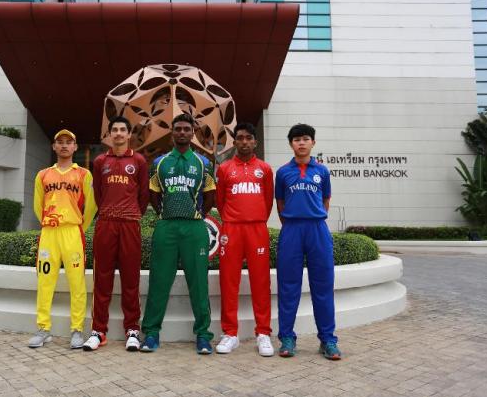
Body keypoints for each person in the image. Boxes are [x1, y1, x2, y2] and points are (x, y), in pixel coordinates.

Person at [140, 113, 216, 354]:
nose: (182, 132)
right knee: (159, 281)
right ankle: (151, 333)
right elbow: (153, 194)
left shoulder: (203, 163)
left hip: (194, 227)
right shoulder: (159, 162)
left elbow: (210, 195)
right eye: (178, 129)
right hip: (167, 227)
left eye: (186, 129)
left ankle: (203, 335)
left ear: (192, 133)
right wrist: (164, 214)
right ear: (172, 133)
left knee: (199, 283)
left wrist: (199, 215)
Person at [274, 124, 341, 360]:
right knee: (288, 286)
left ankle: (328, 339)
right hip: (292, 230)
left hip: (317, 230)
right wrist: (293, 223)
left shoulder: (322, 171)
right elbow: (280, 204)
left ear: (313, 142)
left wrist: (314, 217)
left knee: (323, 286)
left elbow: (326, 200)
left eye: (305, 139)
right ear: (290, 144)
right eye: (296, 139)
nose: (301, 143)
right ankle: (287, 338)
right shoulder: (283, 172)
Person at [83, 116, 149, 351]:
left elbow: (143, 196)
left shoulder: (139, 160)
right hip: (106, 223)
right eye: (115, 130)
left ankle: (132, 330)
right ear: (109, 135)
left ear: (129, 134)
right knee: (102, 279)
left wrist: (131, 213)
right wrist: (110, 212)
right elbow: (98, 195)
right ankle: (98, 331)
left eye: (123, 130)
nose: (119, 133)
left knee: (131, 279)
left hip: (130, 224)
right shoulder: (101, 161)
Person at [27, 129, 97, 349]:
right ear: (54, 146)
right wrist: (48, 223)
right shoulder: (43, 175)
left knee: (77, 283)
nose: (64, 145)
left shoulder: (84, 174)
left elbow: (92, 205)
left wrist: (79, 228)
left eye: (69, 142)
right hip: (49, 233)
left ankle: (77, 330)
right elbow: (37, 205)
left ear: (75, 147)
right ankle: (43, 329)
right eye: (60, 142)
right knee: (45, 282)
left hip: (72, 233)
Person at [215, 122, 275, 356]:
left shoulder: (265, 169)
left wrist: (255, 219)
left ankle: (263, 333)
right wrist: (233, 220)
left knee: (261, 281)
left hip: (257, 229)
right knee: (228, 281)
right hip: (231, 229)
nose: (244, 142)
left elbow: (268, 201)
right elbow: (220, 201)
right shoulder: (225, 168)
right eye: (240, 138)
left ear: (255, 142)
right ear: (235, 142)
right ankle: (230, 333)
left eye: (249, 138)